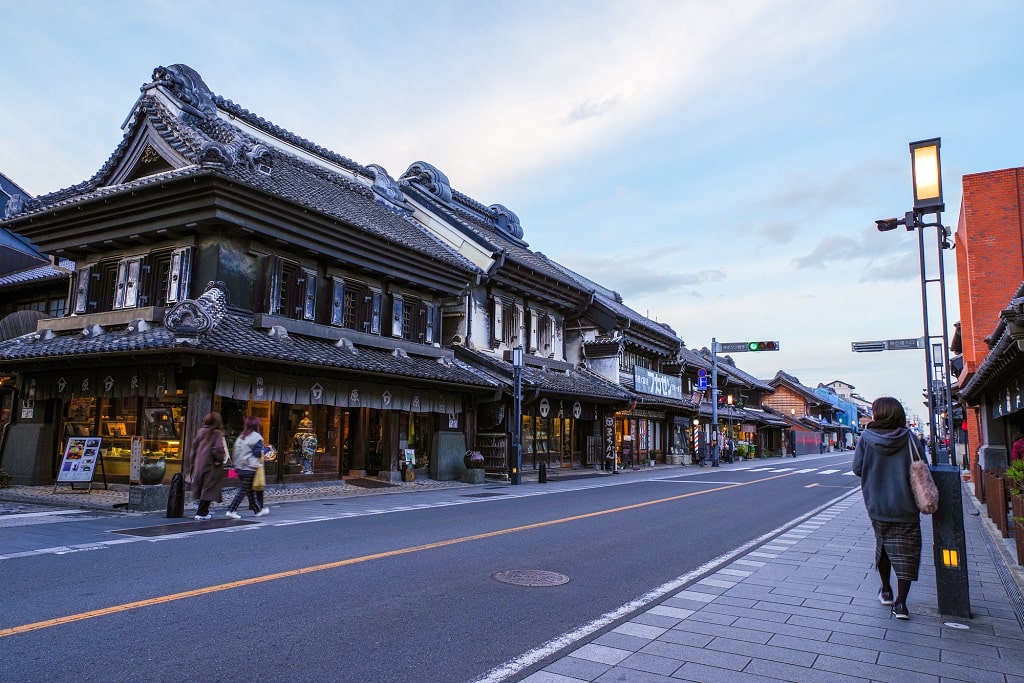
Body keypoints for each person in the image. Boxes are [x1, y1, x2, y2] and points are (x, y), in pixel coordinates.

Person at [852, 396, 923, 620]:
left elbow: (857, 468)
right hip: (907, 505)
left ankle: (886, 589)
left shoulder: (866, 438)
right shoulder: (909, 438)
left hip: (877, 504)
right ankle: (901, 604)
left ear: (877, 414)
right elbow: (923, 465)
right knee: (907, 552)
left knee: (883, 545)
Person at [225, 415, 269, 519]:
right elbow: (258, 453)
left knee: (249, 490)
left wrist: (236, 466)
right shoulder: (257, 437)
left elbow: (235, 451)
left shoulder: (241, 436)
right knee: (244, 490)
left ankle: (258, 510)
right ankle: (231, 510)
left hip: (240, 467)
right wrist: (267, 449)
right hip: (250, 467)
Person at [187, 412, 227, 521]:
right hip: (211, 465)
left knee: (203, 488)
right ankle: (201, 512)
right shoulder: (217, 433)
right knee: (209, 489)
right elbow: (219, 449)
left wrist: (193, 462)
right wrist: (219, 459)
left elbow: (194, 448)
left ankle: (203, 511)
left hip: (199, 463)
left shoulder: (201, 431)